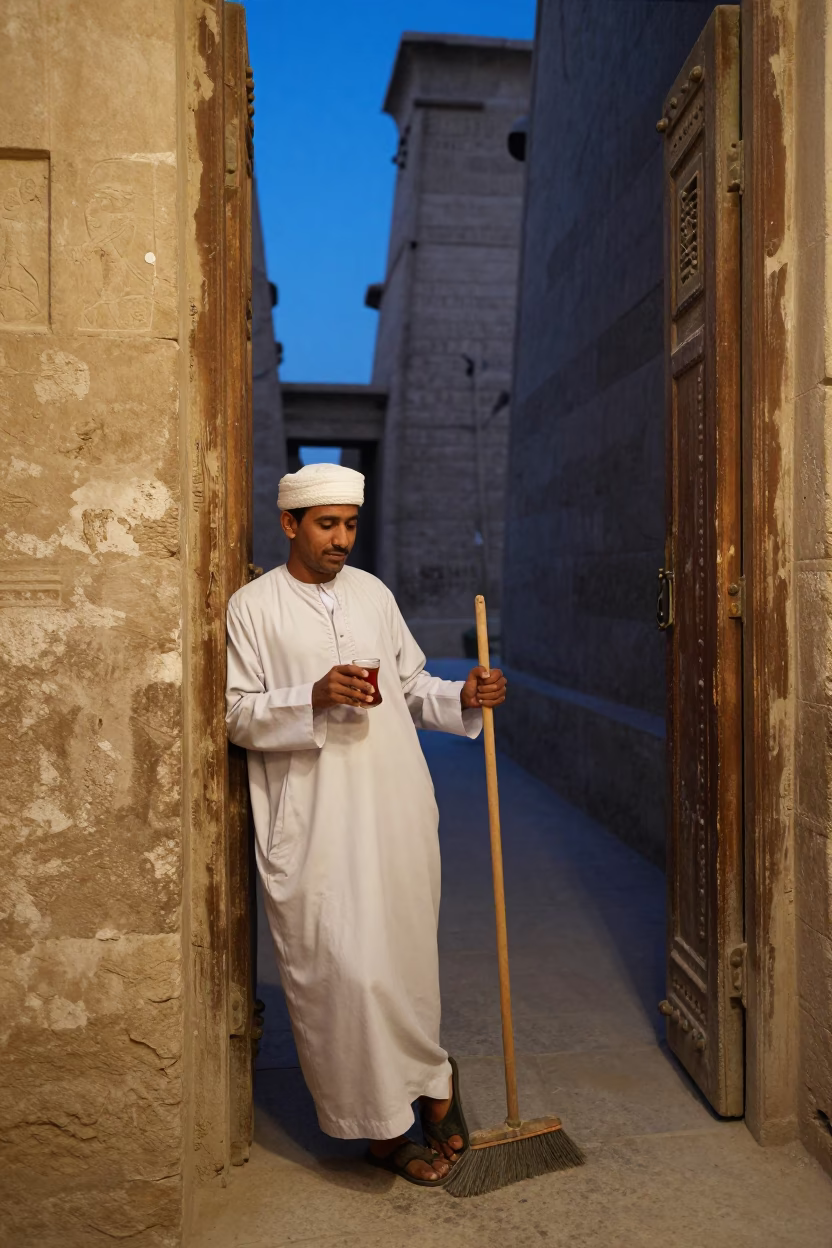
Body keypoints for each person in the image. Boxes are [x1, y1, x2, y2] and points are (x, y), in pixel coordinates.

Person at [225, 462, 507, 1185]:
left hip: (394, 807)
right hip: (314, 821)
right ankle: (381, 1127)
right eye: (327, 524)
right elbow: (235, 714)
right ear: (291, 524)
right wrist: (311, 696)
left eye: (350, 524)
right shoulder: (252, 608)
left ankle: (430, 1085)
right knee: (343, 971)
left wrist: (466, 693)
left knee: (404, 964)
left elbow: (413, 686)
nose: (341, 539)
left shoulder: (373, 594)